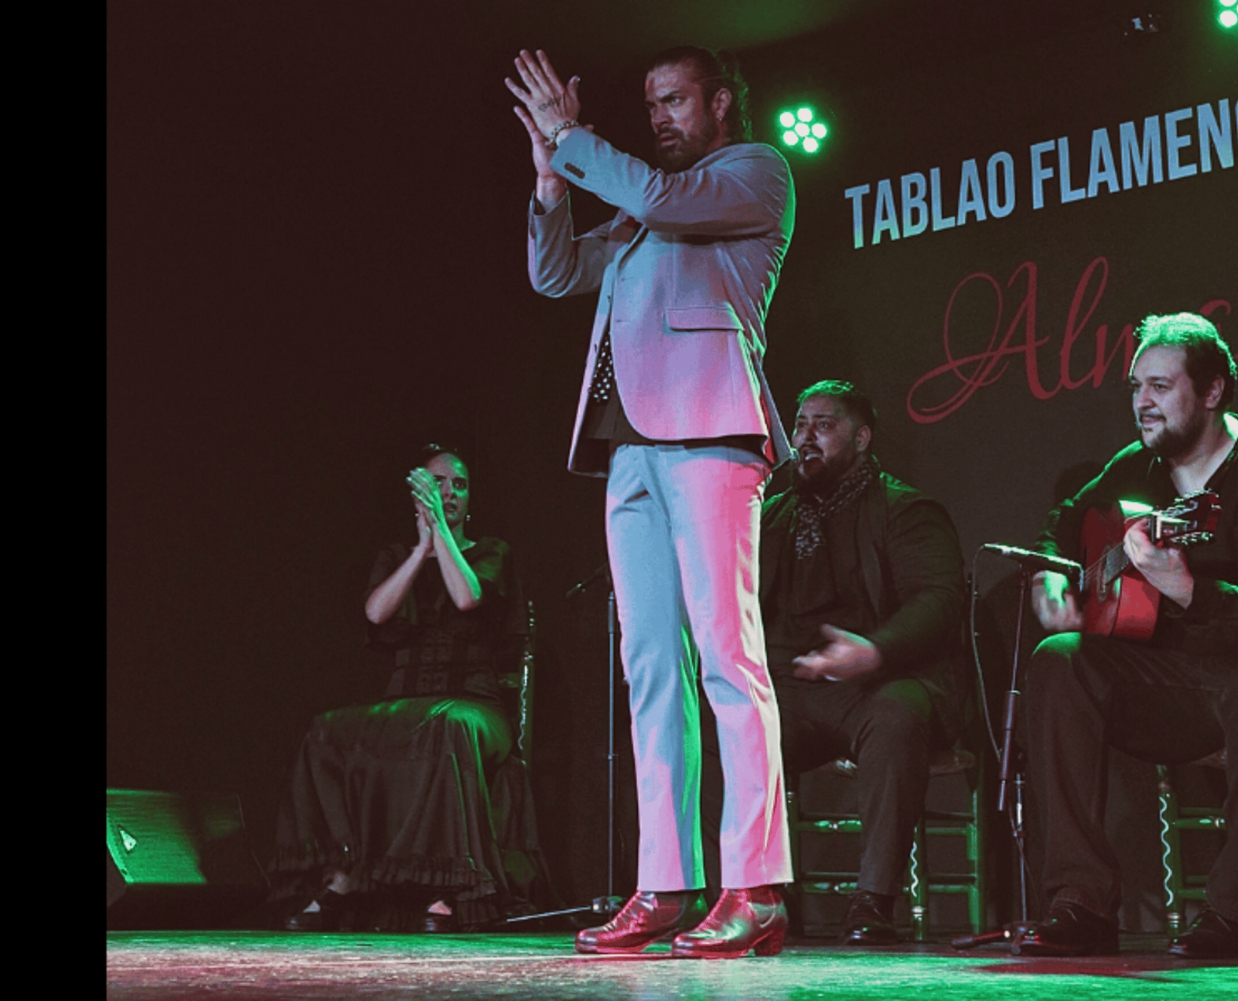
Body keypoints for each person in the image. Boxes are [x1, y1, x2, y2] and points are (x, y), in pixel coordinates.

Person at [508, 45, 795, 959]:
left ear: (719, 103)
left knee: (726, 658)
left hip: (711, 432)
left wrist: (574, 136)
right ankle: (665, 882)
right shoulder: (638, 213)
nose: (660, 116)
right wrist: (553, 183)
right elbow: (556, 276)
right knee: (650, 673)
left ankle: (753, 884)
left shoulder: (750, 174)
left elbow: (662, 200)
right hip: (629, 451)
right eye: (650, 104)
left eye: (674, 100)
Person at [1019, 313, 1238, 958]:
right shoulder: (1138, 467)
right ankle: (1082, 903)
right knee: (1061, 660)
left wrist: (1188, 590)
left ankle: (1236, 915)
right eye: (1135, 388)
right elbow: (1064, 524)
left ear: (1211, 392)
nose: (1142, 404)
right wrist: (1049, 573)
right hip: (1189, 687)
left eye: (1160, 387)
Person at [270, 444, 540, 932]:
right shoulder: (396, 556)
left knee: (446, 726)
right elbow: (376, 613)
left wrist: (443, 535)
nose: (450, 492)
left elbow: (466, 596)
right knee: (327, 730)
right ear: (418, 496)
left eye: (459, 485)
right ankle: (342, 877)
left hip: (475, 703)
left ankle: (444, 887)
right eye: (438, 482)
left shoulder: (491, 551)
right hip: (406, 701)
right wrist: (421, 549)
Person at [754, 381, 966, 944]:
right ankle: (759, 892)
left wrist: (873, 651)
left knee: (898, 715)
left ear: (863, 438)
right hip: (792, 689)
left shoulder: (905, 509)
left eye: (823, 426)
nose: (805, 438)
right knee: (721, 721)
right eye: (800, 426)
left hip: (876, 684)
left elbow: (938, 600)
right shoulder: (770, 517)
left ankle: (873, 899)